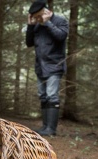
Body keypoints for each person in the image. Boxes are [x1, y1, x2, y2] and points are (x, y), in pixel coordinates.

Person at [25, 0, 69, 136]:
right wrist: (30, 25)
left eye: (38, 16)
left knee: (52, 96)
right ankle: (45, 127)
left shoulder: (60, 20)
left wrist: (48, 23)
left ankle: (51, 129)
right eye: (35, 17)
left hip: (54, 66)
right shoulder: (36, 25)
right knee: (43, 96)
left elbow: (61, 36)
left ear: (45, 11)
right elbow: (29, 43)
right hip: (40, 67)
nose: (37, 19)